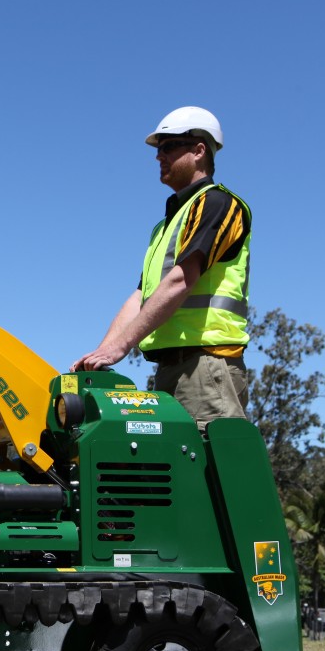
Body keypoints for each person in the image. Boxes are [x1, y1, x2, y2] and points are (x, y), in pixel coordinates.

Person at [72, 106, 252, 430]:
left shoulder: (217, 204)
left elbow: (182, 280)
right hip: (170, 369)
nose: (159, 156)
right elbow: (140, 296)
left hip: (206, 367)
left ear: (199, 150)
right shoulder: (164, 226)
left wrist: (120, 347)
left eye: (168, 146)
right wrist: (100, 355)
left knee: (205, 476)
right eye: (158, 149)